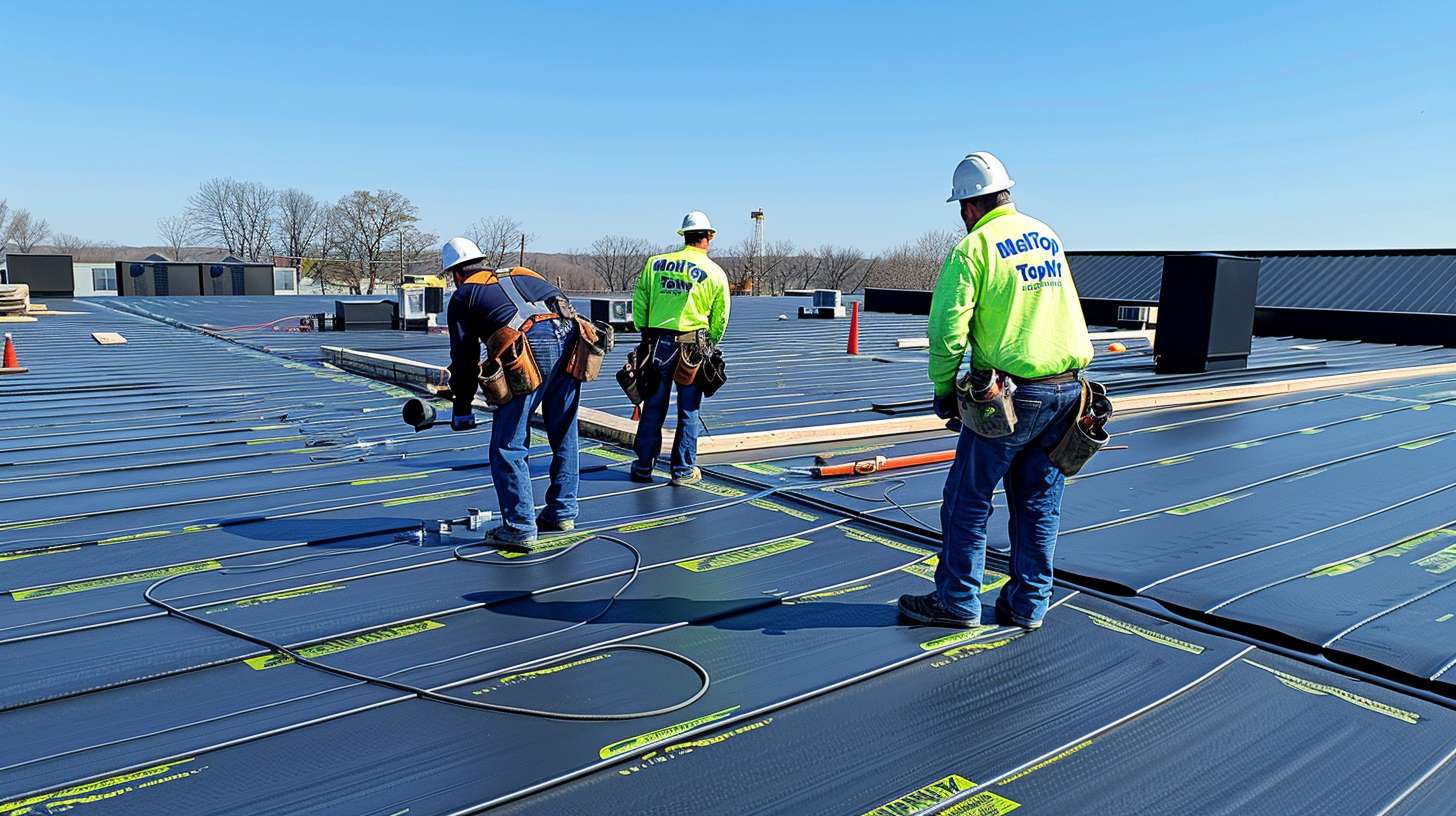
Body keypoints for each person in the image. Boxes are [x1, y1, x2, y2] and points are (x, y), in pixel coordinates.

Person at [898, 152, 1094, 631]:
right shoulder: (1047, 236)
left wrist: (944, 390)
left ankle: (958, 601)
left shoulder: (974, 249)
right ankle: (1029, 605)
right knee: (1038, 502)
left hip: (1010, 397)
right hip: (1069, 392)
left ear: (968, 207)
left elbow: (947, 332)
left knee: (967, 498)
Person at [443, 236, 582, 547]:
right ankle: (562, 511)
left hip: (531, 345)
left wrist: (461, 407)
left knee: (508, 443)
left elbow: (464, 360)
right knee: (564, 431)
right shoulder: (525, 273)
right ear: (481, 261)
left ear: (455, 273)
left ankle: (519, 526)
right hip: (574, 339)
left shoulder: (464, 295)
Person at [629, 211, 731, 486]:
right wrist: (711, 342)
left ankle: (642, 467)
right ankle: (683, 470)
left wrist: (645, 332)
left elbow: (640, 303)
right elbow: (720, 318)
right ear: (708, 237)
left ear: (683, 235)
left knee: (653, 406)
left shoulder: (655, 263)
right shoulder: (715, 273)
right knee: (688, 410)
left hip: (658, 343)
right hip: (693, 347)